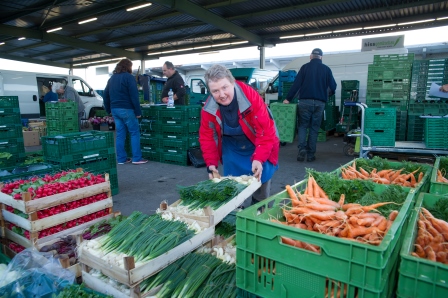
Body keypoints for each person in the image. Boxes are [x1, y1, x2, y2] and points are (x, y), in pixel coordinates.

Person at [199, 64, 279, 206]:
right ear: (210, 92)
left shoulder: (251, 98)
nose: (222, 95)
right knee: (233, 187)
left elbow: (265, 132)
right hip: (232, 146)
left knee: (261, 179)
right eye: (215, 91)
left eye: (225, 88)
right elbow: (208, 137)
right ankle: (237, 211)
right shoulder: (208, 109)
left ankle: (259, 209)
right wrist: (211, 164)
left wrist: (259, 159)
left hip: (258, 141)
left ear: (233, 82)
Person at [283, 48, 337, 162]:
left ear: (310, 56)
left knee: (302, 126)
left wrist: (288, 98)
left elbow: (296, 84)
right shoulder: (326, 69)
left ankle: (302, 149)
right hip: (319, 103)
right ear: (321, 57)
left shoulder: (304, 67)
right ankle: (311, 155)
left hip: (304, 102)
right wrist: (326, 93)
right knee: (314, 128)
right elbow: (333, 86)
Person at [103, 58, 148, 165]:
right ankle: (136, 158)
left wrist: (109, 109)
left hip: (115, 110)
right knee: (134, 133)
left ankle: (121, 159)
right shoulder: (129, 77)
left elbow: (105, 95)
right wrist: (138, 112)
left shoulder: (111, 79)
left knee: (120, 134)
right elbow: (134, 96)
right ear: (128, 67)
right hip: (127, 109)